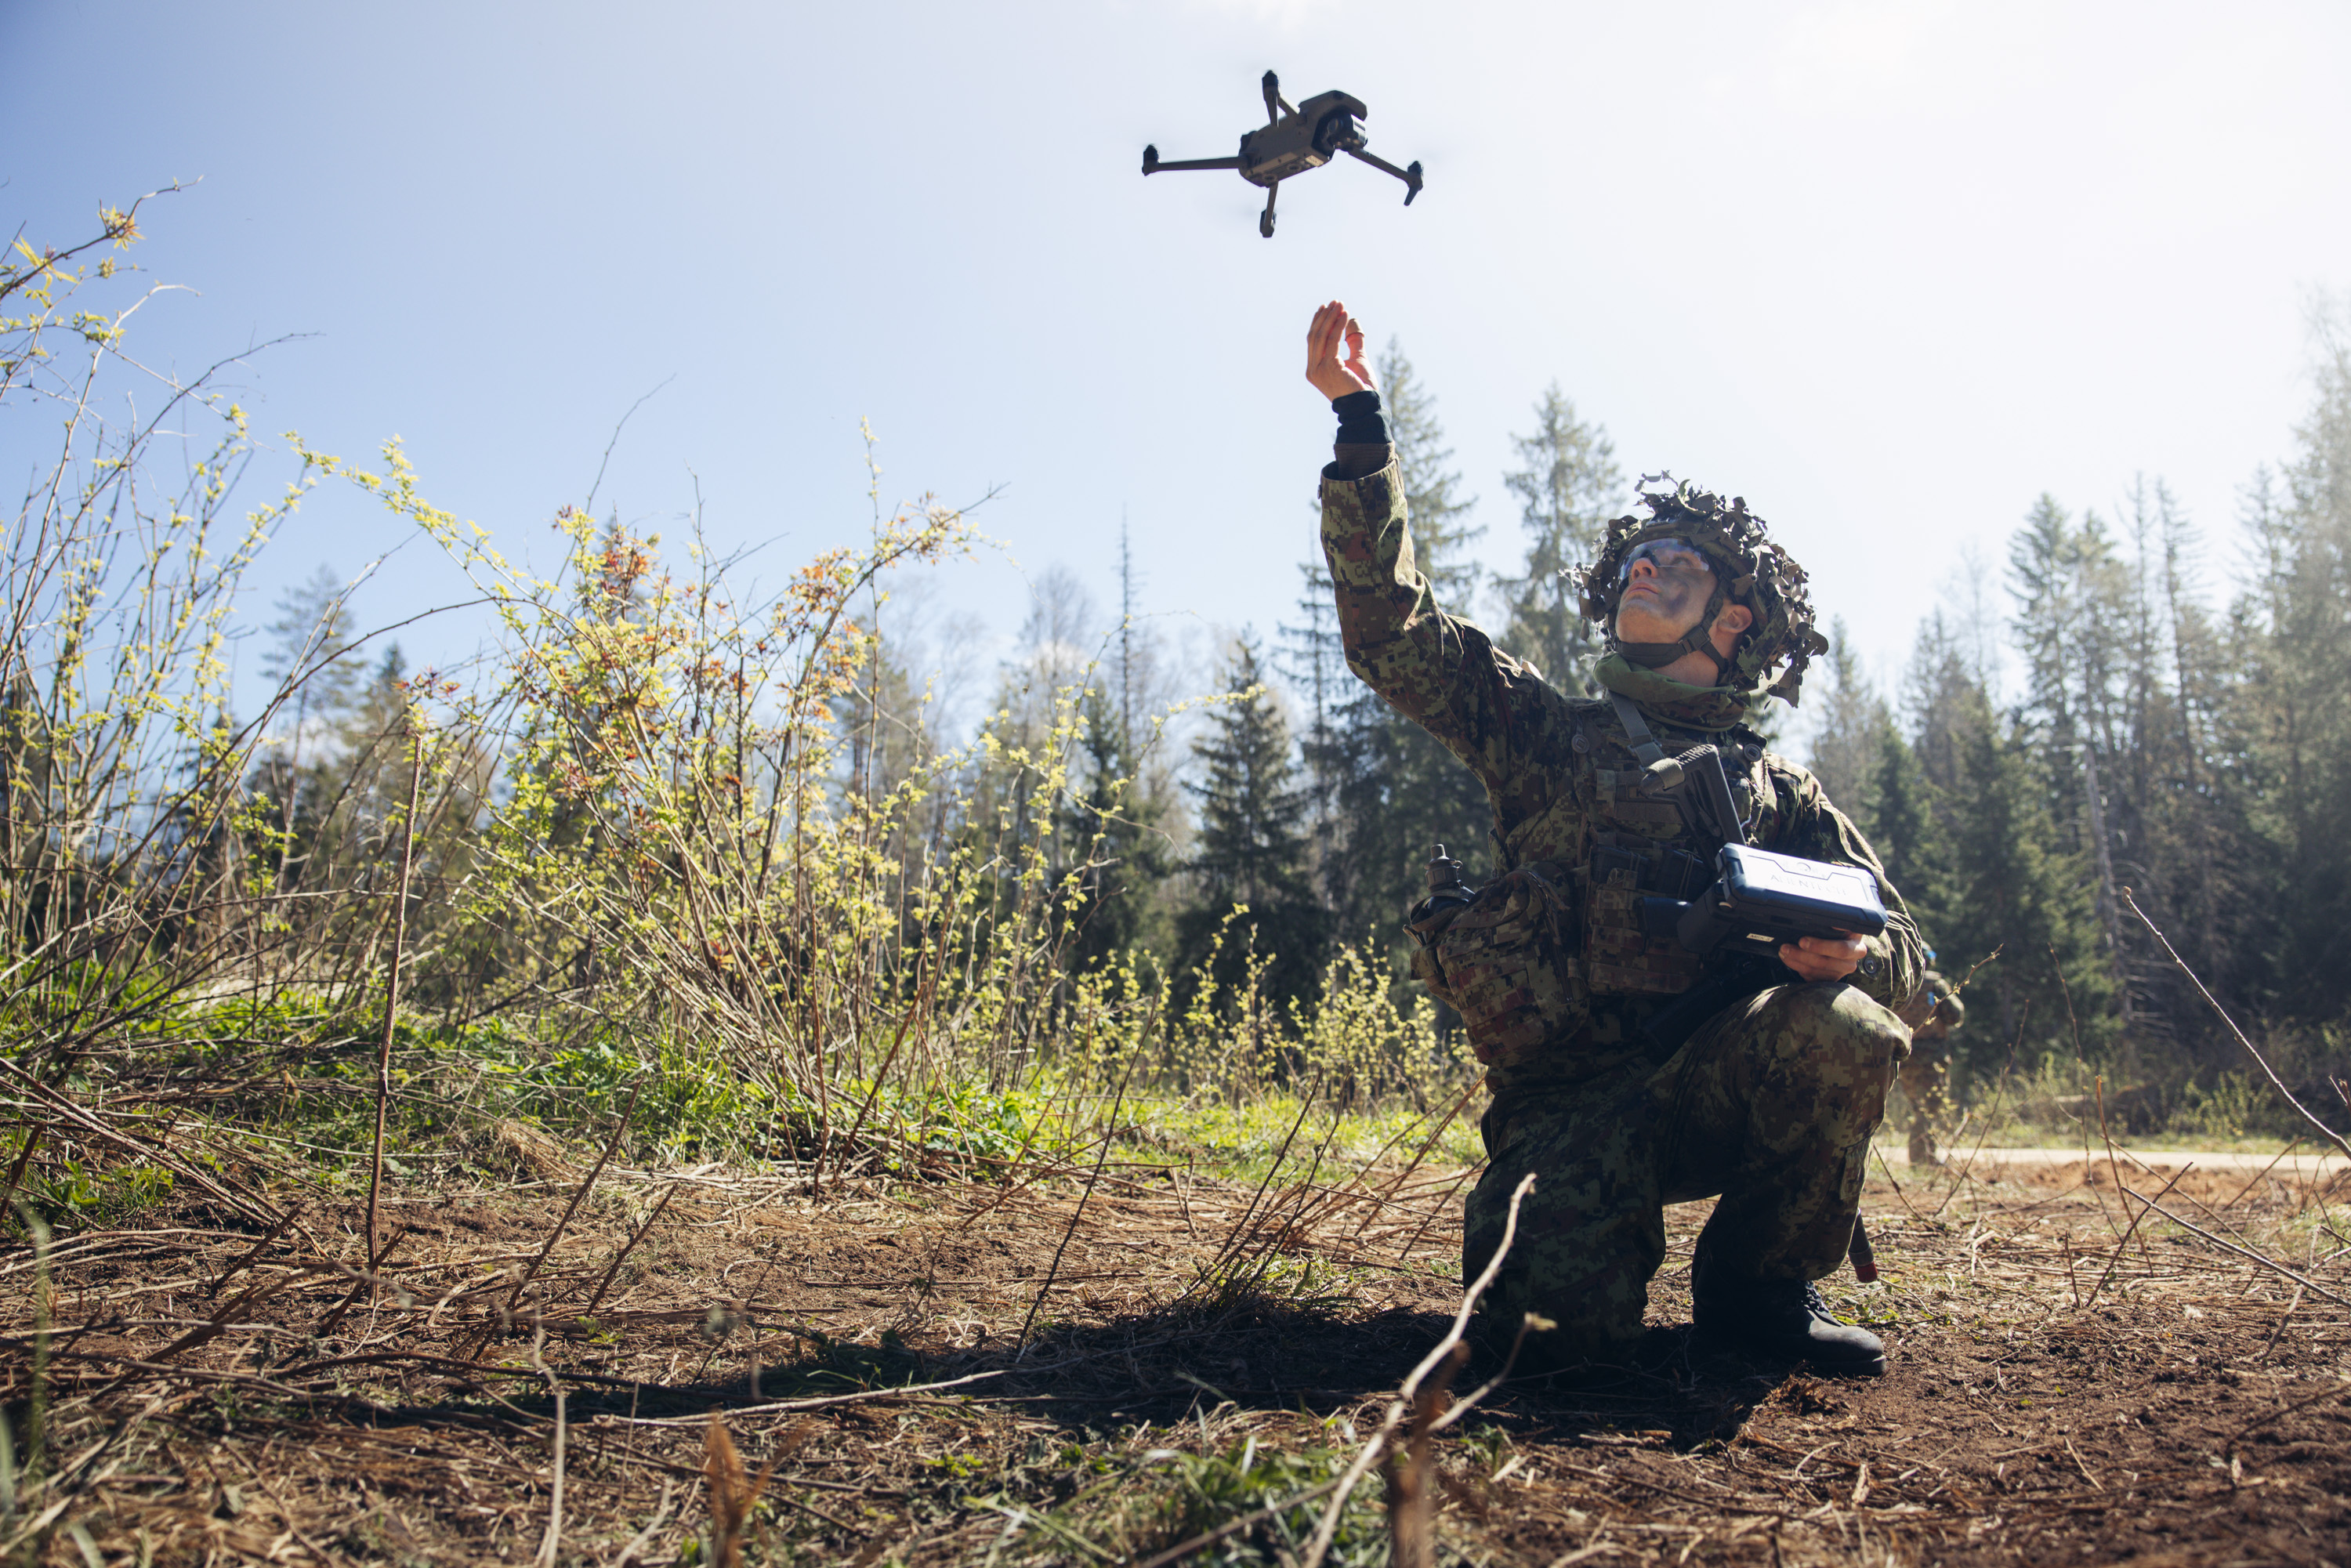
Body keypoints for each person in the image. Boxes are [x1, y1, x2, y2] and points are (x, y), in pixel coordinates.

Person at [1305, 301, 1924, 1378]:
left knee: (1851, 1026)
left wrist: (1854, 955)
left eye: (1678, 562)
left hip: (1718, 1088)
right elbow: (1393, 636)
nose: (1645, 566)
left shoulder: (1781, 794)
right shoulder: (1545, 735)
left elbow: (1914, 964)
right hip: (1571, 1107)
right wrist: (1360, 429)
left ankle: (1759, 1288)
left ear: (1736, 623)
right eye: (1638, 557)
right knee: (1549, 1350)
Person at [1895, 959, 1966, 1165]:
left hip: (1904, 1055)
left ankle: (1923, 1155)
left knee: (1919, 1107)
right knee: (1930, 1107)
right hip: (1932, 1056)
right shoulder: (1935, 984)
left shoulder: (1897, 984)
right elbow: (1955, 1015)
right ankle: (1923, 1159)